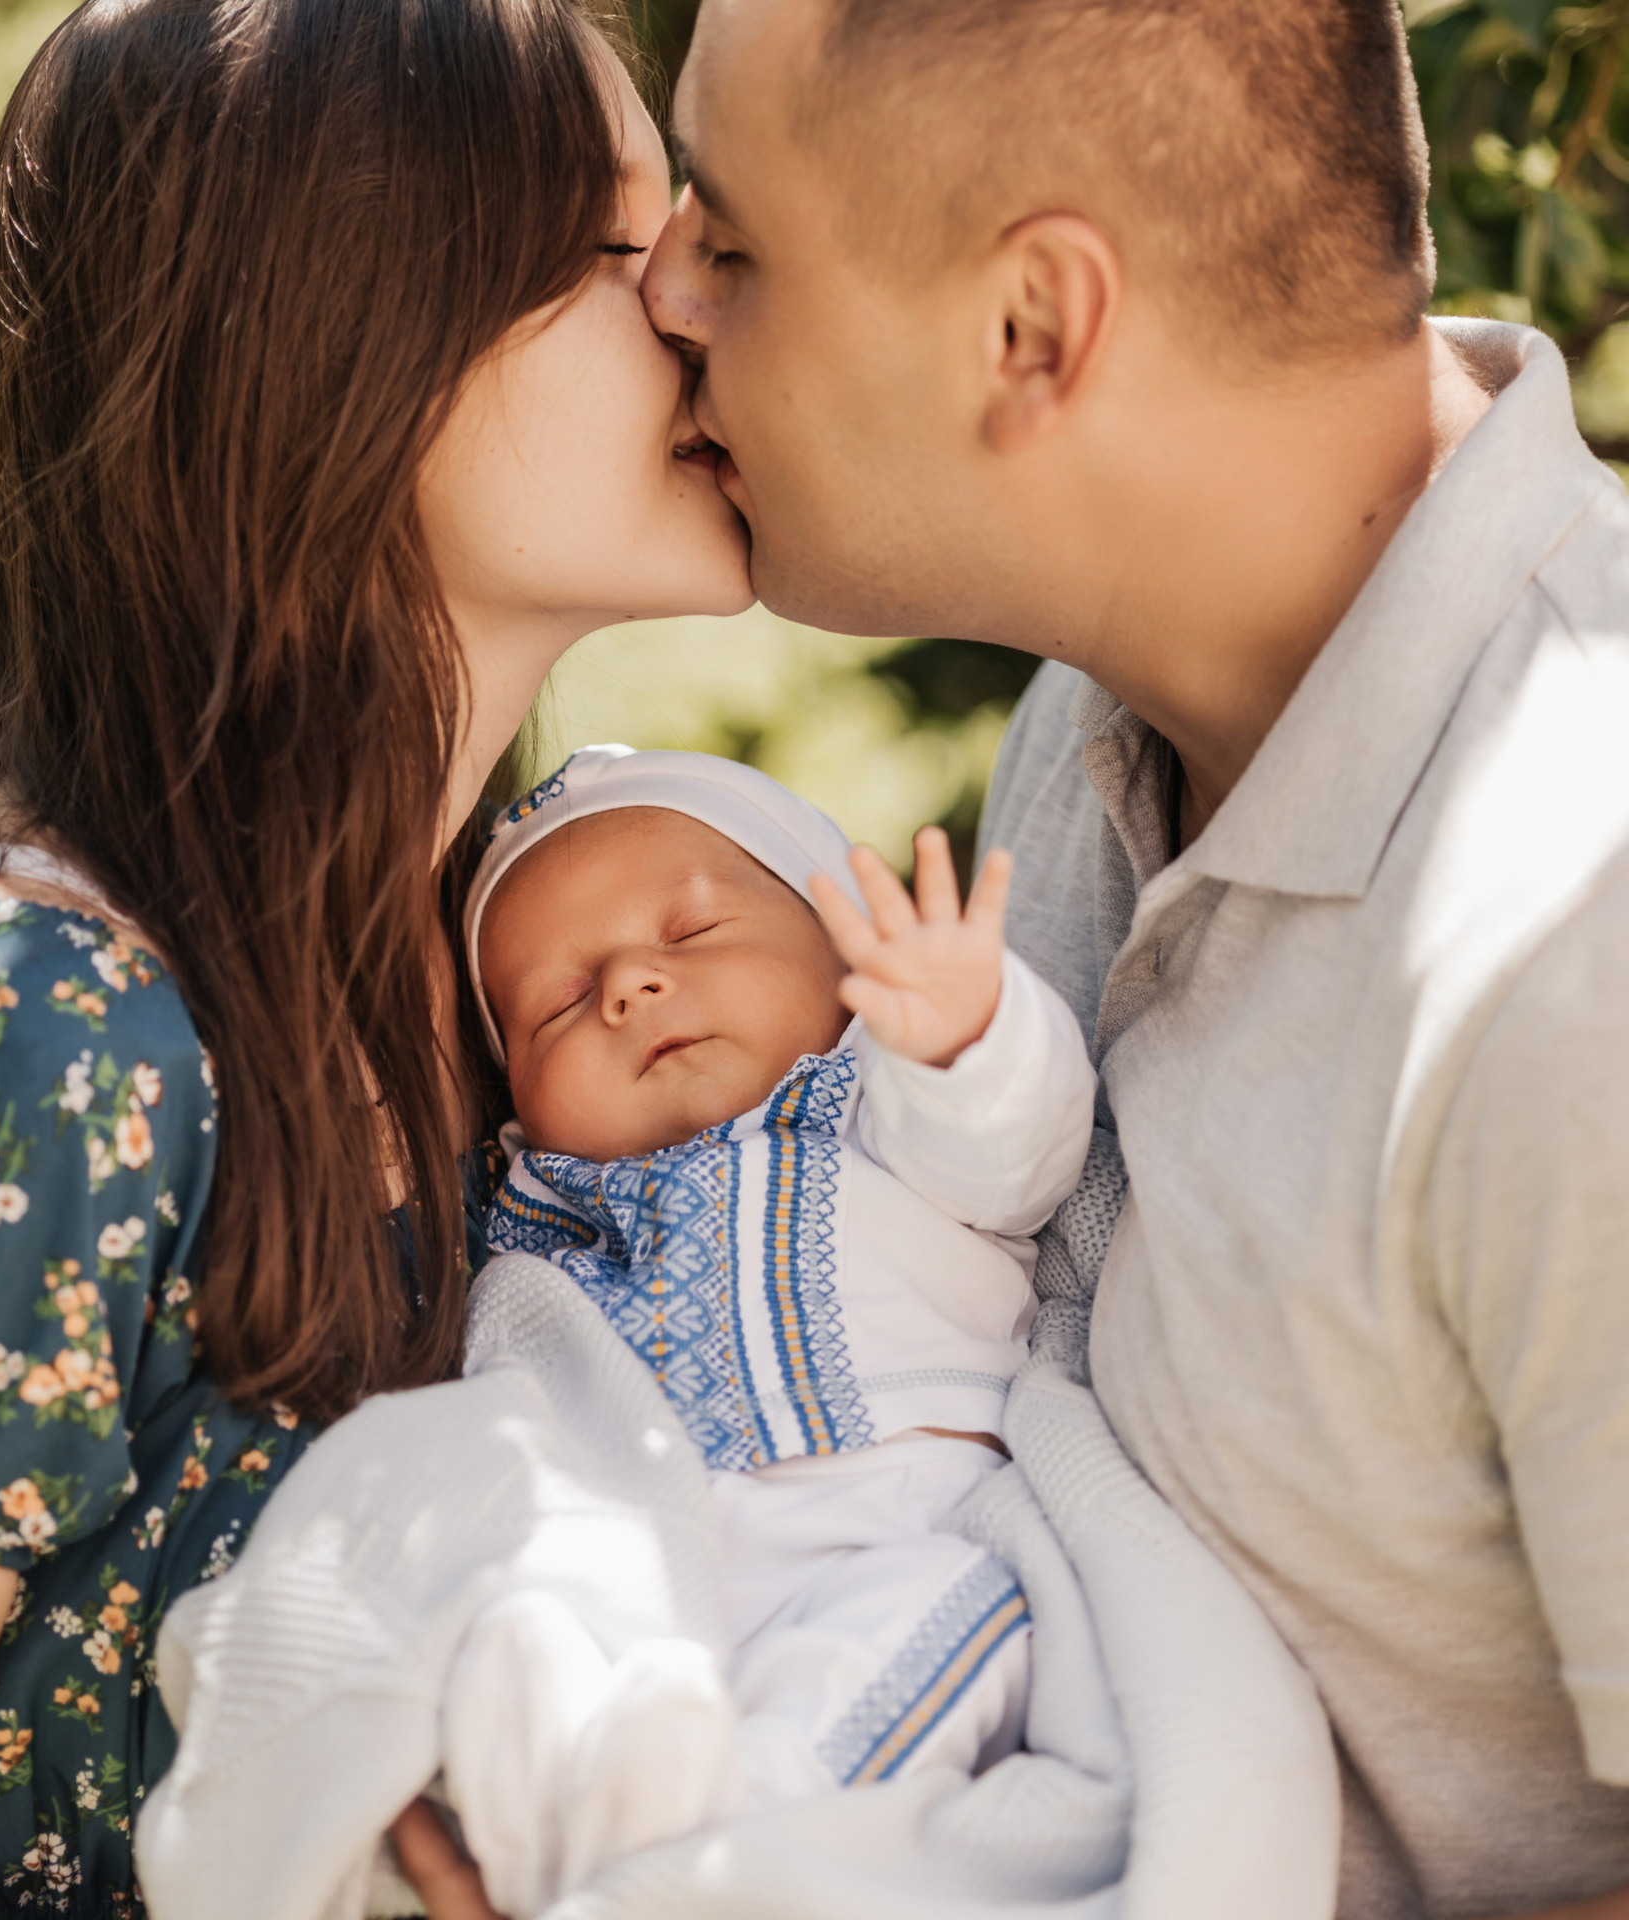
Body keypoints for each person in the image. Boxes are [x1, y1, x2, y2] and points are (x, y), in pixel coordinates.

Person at [0, 2, 753, 1915]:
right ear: (338, 340)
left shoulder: (511, 969)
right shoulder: (14, 1049)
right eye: (618, 246)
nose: (704, 289)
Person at [640, 1, 1629, 1917]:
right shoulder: (1094, 720)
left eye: (736, 239)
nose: (664, 288)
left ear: (1032, 329)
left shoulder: (1575, 952)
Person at [442, 744, 1092, 1914]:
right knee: (504, 1653)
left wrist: (965, 1034)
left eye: (690, 934)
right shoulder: (539, 1221)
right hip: (640, 1572)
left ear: (846, 952)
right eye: (552, 1004)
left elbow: (1019, 1152)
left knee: (956, 1617)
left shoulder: (883, 1106)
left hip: (891, 1521)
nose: (628, 987)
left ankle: (747, 1852)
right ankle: (585, 1832)